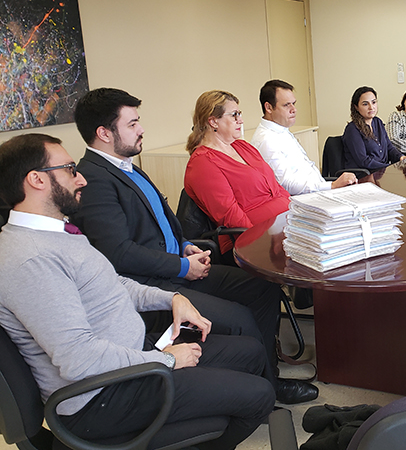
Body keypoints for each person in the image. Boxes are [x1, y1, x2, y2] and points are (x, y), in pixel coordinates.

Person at [0, 134, 276, 449]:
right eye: (69, 169)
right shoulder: (29, 260)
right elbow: (79, 360)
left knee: (251, 353)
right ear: (36, 180)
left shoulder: (56, 234)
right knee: (259, 396)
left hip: (133, 361)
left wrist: (173, 298)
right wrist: (166, 361)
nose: (81, 179)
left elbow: (112, 283)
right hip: (102, 397)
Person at [71, 88, 317, 405]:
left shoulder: (125, 166)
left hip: (176, 266)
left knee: (262, 289)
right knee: (241, 317)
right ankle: (265, 388)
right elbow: (119, 254)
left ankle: (265, 372)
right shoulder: (94, 180)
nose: (141, 129)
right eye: (132, 124)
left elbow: (161, 223)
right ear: (104, 133)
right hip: (152, 283)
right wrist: (182, 267)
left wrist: (184, 244)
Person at [184, 90, 291, 253]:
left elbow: (277, 188)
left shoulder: (243, 146)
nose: (240, 120)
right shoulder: (202, 162)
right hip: (249, 241)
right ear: (213, 121)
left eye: (239, 114)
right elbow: (231, 216)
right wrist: (262, 242)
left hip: (284, 228)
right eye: (234, 115)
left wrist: (299, 216)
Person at [251, 79, 357, 195]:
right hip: (302, 200)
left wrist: (331, 186)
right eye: (287, 105)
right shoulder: (266, 140)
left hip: (319, 191)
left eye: (294, 103)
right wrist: (332, 185)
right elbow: (286, 184)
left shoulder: (282, 130)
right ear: (269, 107)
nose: (294, 110)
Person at [343, 86, 405, 170]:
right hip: (365, 175)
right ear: (356, 107)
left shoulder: (378, 122)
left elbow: (389, 147)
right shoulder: (352, 129)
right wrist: (388, 167)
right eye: (365, 104)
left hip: (382, 172)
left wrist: (401, 157)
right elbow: (363, 161)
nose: (371, 107)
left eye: (373, 102)